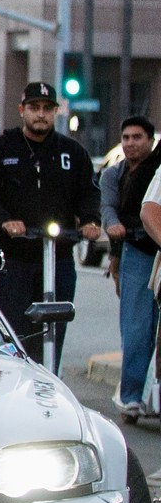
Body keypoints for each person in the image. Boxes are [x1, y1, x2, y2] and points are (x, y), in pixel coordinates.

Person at [0, 80, 101, 363]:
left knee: (55, 330)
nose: (40, 114)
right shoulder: (1, 148)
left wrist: (91, 221)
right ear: (22, 110)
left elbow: (89, 192)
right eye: (34, 108)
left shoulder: (73, 152)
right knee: (15, 332)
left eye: (47, 108)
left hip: (59, 257)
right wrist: (4, 221)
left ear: (56, 111)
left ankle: (50, 385)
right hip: (16, 257)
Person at [100, 116, 161, 415]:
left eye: (137, 137)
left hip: (157, 249)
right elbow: (108, 208)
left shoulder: (156, 168)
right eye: (126, 138)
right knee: (137, 326)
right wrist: (113, 231)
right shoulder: (114, 174)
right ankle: (132, 395)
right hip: (135, 250)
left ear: (150, 141)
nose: (131, 143)